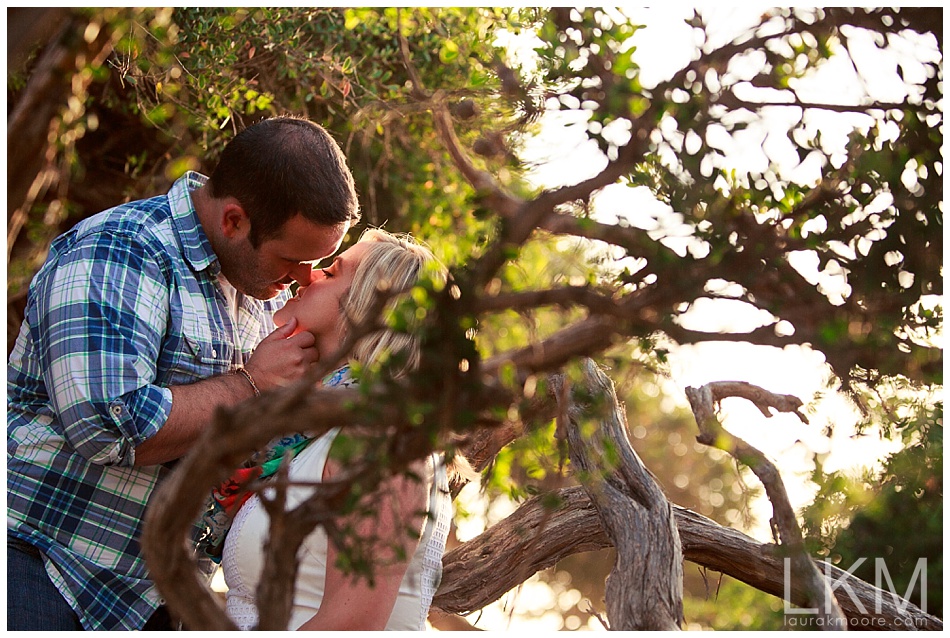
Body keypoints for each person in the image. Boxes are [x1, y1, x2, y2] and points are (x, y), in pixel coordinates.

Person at [7, 115, 361, 631]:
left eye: (320, 263)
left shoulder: (258, 286)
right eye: (292, 259)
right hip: (47, 569)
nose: (302, 279)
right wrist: (252, 383)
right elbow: (108, 427)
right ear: (234, 221)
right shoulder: (120, 252)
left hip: (156, 598)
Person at [218, 228, 454, 631]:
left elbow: (350, 625)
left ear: (367, 310)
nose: (306, 275)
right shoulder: (315, 430)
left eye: (329, 272)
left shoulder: (378, 440)